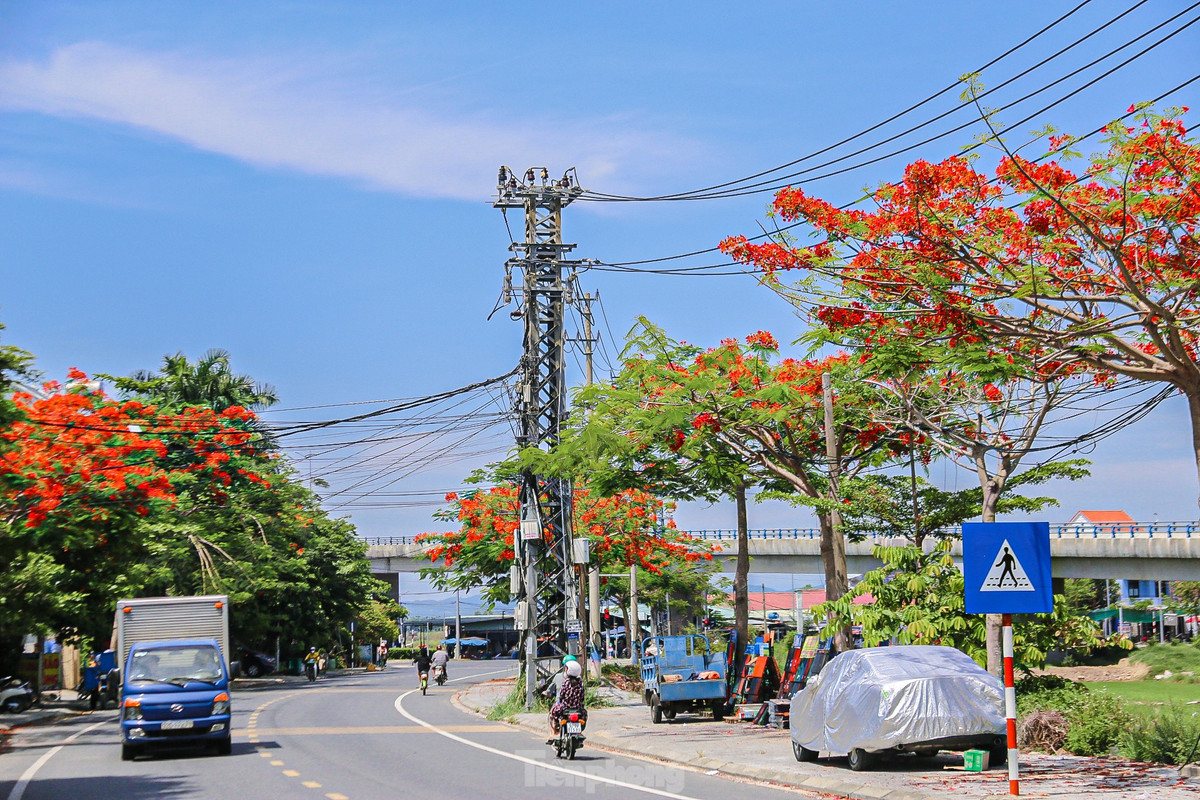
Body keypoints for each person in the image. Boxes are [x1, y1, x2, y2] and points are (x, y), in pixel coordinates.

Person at [547, 656, 587, 739]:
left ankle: (555, 733)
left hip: (565, 707)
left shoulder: (565, 682)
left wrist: (560, 702)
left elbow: (561, 695)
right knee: (585, 715)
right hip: (578, 707)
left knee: (552, 714)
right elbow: (582, 696)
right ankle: (580, 731)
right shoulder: (580, 682)